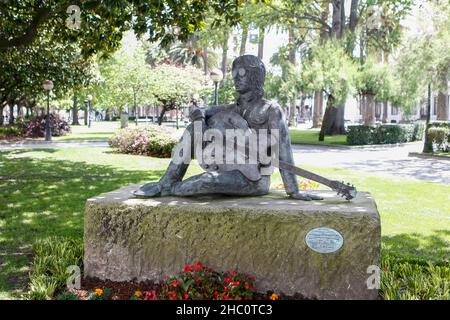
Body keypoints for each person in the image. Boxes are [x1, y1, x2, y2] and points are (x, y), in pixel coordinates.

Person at [134, 55, 322, 201]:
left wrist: (293, 190)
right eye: (234, 74)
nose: (236, 79)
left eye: (241, 74)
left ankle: (171, 188)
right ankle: (166, 182)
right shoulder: (230, 109)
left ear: (255, 76)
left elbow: (284, 149)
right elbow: (200, 110)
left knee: (206, 181)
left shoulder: (271, 110)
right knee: (193, 130)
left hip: (253, 180)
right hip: (227, 169)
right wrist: (198, 115)